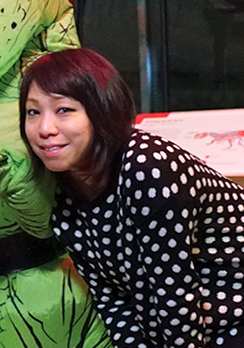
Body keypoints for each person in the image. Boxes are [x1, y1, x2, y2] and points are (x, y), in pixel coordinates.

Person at [19, 48, 244, 348]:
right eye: (33, 112)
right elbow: (111, 300)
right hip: (193, 320)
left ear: (100, 112)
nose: (45, 129)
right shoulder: (61, 184)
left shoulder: (147, 166)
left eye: (64, 110)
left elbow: (175, 294)